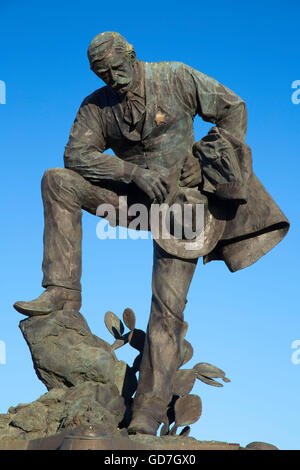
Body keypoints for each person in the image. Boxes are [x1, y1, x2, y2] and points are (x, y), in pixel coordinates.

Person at [14, 32, 289, 435]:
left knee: (167, 310)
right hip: (135, 201)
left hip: (184, 208)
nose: (112, 77)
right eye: (102, 73)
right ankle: (61, 290)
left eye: (117, 68)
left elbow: (233, 107)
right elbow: (76, 155)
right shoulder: (97, 106)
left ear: (133, 55)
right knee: (58, 180)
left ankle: (148, 408)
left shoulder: (175, 77)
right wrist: (131, 173)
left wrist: (207, 157)